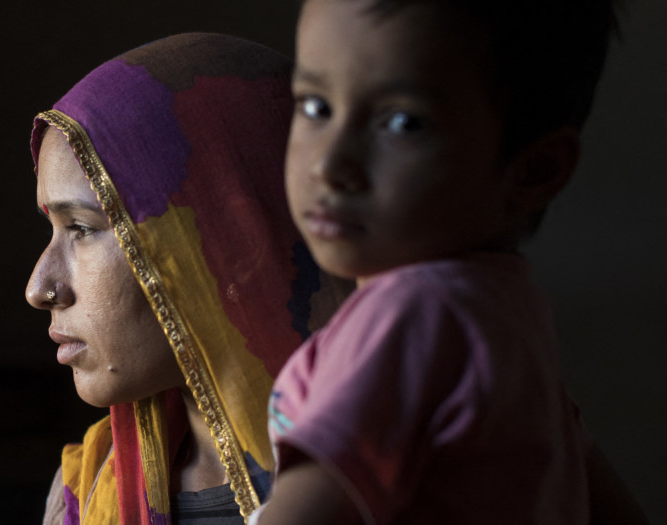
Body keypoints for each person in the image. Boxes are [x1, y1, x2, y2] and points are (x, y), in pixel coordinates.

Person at [253, 0, 647, 523]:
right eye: (315, 107)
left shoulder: (416, 314)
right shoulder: (507, 315)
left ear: (536, 170)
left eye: (402, 123)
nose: (331, 165)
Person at [26, 33, 350, 524]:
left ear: (232, 244)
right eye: (52, 229)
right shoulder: (87, 489)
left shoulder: (399, 481)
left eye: (82, 229)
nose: (39, 288)